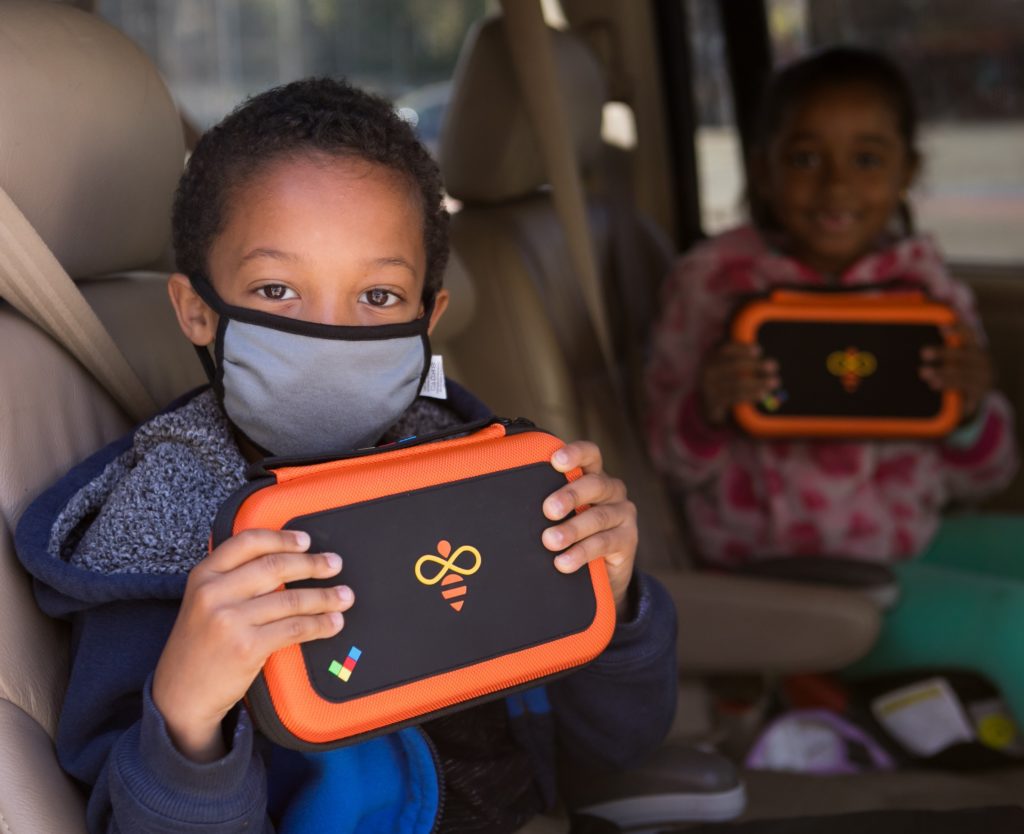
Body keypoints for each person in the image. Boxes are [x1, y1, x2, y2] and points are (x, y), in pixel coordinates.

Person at [15, 78, 677, 833]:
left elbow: (614, 745)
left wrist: (616, 604)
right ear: (197, 311)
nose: (329, 334)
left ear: (431, 318)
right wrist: (188, 714)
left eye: (379, 298)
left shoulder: (483, 477)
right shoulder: (153, 541)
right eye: (276, 289)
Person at [646, 47, 1018, 568]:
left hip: (904, 544)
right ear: (763, 171)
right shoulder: (712, 285)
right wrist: (708, 409)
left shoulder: (927, 290)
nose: (836, 185)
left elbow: (987, 475)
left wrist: (970, 413)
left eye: (866, 159)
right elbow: (667, 463)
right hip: (774, 571)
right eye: (804, 159)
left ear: (906, 170)